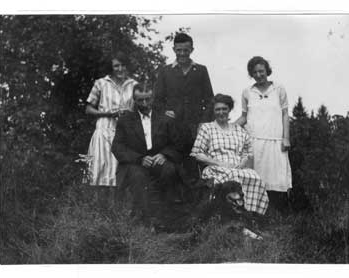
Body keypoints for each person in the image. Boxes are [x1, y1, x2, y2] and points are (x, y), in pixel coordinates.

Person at [111, 83, 183, 228]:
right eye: (140, 100)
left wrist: (164, 155)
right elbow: (117, 147)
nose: (144, 104)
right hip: (136, 162)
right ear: (134, 100)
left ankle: (166, 220)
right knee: (138, 177)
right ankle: (146, 222)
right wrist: (139, 159)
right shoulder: (125, 120)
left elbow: (178, 144)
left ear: (153, 98)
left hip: (159, 160)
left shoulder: (165, 118)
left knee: (170, 171)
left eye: (147, 99)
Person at [191, 94, 269, 216]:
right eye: (218, 109)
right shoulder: (207, 128)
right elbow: (197, 154)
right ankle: (230, 214)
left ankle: (251, 215)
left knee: (255, 177)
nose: (221, 112)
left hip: (237, 167)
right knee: (232, 176)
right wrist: (219, 163)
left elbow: (248, 151)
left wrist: (242, 163)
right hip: (215, 168)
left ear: (229, 109)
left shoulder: (239, 130)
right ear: (213, 111)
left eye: (224, 109)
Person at [235, 56, 292, 213]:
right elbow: (244, 117)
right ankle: (256, 214)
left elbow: (285, 114)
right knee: (256, 179)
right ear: (251, 74)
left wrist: (286, 137)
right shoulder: (247, 92)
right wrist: (227, 127)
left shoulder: (279, 89)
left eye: (261, 71)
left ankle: (278, 216)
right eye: (254, 72)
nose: (259, 75)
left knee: (277, 178)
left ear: (267, 70)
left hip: (275, 141)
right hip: (255, 142)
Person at [153, 32, 214, 178]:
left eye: (185, 50)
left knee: (194, 167)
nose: (182, 54)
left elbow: (210, 100)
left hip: (195, 129)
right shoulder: (165, 71)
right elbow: (157, 101)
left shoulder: (200, 70)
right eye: (178, 50)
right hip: (173, 130)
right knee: (173, 167)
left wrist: (203, 123)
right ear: (174, 49)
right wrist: (164, 112)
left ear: (191, 50)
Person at [86, 51, 137, 188]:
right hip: (104, 131)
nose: (120, 69)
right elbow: (89, 109)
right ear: (111, 67)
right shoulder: (101, 83)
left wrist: (129, 113)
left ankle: (119, 209)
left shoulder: (134, 85)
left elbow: (141, 109)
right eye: (116, 66)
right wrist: (108, 113)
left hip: (126, 134)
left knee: (120, 173)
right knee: (100, 173)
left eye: (123, 65)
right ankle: (99, 209)